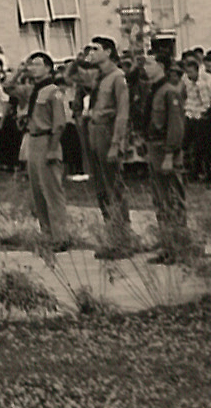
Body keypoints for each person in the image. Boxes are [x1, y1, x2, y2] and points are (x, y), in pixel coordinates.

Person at [81, 37, 135, 257]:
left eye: (96, 49)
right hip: (94, 130)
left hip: (107, 131)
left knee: (114, 187)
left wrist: (116, 143)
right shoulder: (99, 77)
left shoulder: (117, 78)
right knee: (101, 188)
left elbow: (122, 112)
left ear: (109, 52)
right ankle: (111, 235)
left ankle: (123, 238)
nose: (91, 52)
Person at [21, 51, 72, 248]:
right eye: (31, 64)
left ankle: (60, 236)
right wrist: (19, 71)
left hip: (47, 140)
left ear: (48, 68)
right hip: (33, 141)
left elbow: (59, 123)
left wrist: (52, 149)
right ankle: (47, 234)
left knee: (52, 191)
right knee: (38, 192)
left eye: (37, 64)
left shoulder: (53, 91)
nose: (32, 68)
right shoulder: (33, 90)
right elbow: (9, 88)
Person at [145, 60, 191, 261]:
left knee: (173, 198)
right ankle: (167, 246)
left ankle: (179, 247)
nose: (145, 67)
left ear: (161, 67)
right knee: (160, 200)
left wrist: (170, 154)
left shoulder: (169, 91)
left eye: (149, 63)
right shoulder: (154, 90)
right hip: (154, 148)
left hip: (165, 149)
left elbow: (176, 125)